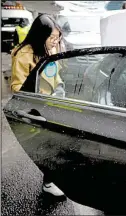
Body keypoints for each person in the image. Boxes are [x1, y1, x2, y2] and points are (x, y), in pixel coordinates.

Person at [11, 14, 66, 197]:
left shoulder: (48, 49)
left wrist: (59, 87)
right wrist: (39, 100)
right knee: (50, 145)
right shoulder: (23, 55)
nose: (55, 42)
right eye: (52, 38)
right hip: (37, 109)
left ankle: (51, 180)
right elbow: (18, 88)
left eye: (57, 38)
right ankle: (49, 183)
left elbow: (55, 74)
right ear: (40, 36)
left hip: (52, 104)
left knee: (57, 144)